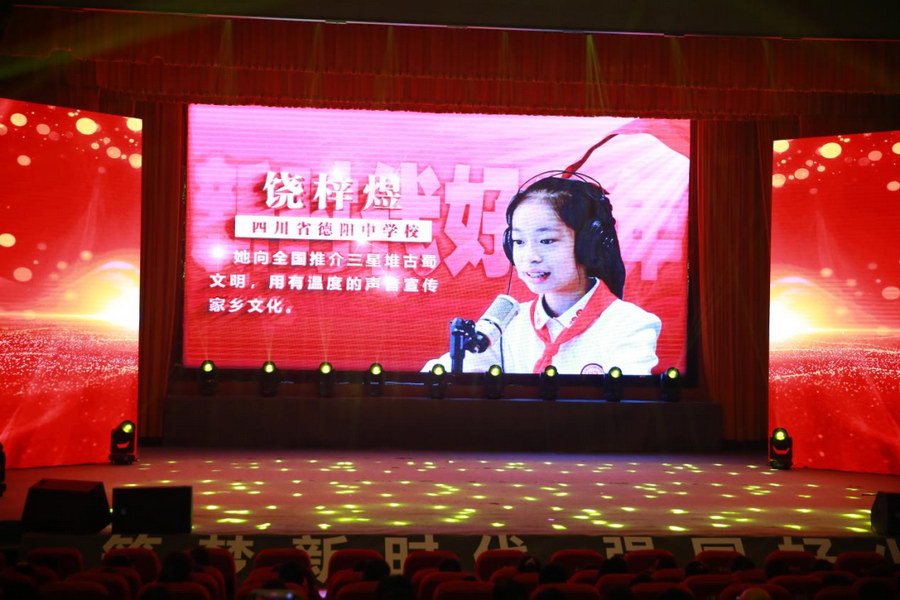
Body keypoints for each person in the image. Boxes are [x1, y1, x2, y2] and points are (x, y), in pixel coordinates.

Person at [424, 173, 660, 375]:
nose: (530, 257)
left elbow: (629, 406)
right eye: (519, 241)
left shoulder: (629, 323)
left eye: (547, 241)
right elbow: (434, 377)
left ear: (589, 244)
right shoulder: (507, 323)